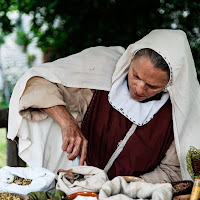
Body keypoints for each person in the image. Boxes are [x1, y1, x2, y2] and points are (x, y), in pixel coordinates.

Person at [7, 29, 200, 183]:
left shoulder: (177, 115)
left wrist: (124, 185)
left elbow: (174, 170)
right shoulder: (98, 75)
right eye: (136, 75)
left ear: (170, 85)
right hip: (75, 188)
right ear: (130, 61)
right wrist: (67, 122)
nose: (139, 89)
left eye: (152, 86)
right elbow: (36, 84)